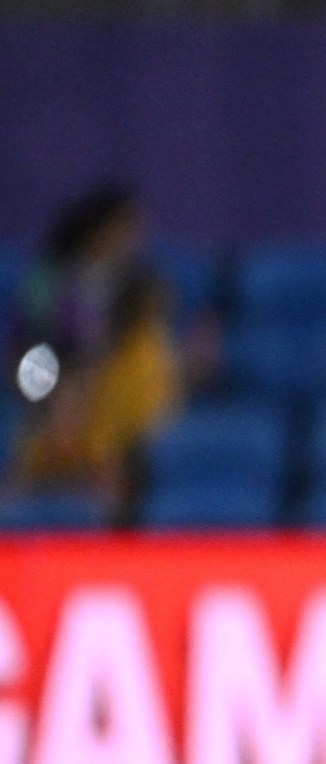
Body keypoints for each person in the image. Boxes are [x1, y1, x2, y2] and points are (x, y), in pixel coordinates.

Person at [7, 184, 184, 520]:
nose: (131, 239)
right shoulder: (50, 281)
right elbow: (27, 355)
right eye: (123, 228)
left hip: (117, 398)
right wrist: (53, 397)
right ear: (98, 229)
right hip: (57, 394)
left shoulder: (140, 285)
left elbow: (133, 350)